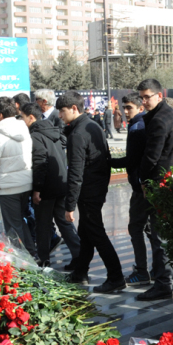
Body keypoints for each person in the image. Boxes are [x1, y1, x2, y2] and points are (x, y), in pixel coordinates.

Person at [57, 92, 124, 293]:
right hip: (98, 186)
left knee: (96, 233)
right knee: (86, 233)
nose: (60, 115)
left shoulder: (78, 134)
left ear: (74, 109)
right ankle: (80, 272)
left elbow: (75, 173)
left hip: (88, 190)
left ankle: (116, 276)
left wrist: (69, 206)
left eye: (62, 111)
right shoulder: (93, 125)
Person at [138, 78, 173, 301]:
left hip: (162, 184)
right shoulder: (169, 114)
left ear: (160, 95)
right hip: (172, 181)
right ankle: (168, 279)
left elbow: (152, 157)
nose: (144, 101)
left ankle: (162, 284)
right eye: (142, 97)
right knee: (165, 235)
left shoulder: (159, 119)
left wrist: (142, 180)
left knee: (159, 237)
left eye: (147, 96)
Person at [20, 103, 81, 269]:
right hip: (61, 185)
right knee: (64, 223)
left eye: (22, 117)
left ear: (31, 117)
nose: (21, 121)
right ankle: (79, 256)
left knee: (43, 226)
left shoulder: (35, 136)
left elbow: (40, 162)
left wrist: (37, 189)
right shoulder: (54, 132)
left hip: (46, 189)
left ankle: (44, 260)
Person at [0, 97, 35, 256]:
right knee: (20, 221)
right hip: (26, 182)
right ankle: (32, 253)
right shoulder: (23, 128)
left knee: (13, 227)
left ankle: (24, 261)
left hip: (9, 187)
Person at [110, 93, 151, 286]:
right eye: (124, 108)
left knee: (135, 227)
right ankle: (155, 268)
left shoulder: (138, 127)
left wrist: (107, 161)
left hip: (141, 187)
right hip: (144, 185)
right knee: (150, 229)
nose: (126, 112)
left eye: (129, 108)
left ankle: (142, 271)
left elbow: (132, 159)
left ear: (140, 108)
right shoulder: (142, 124)